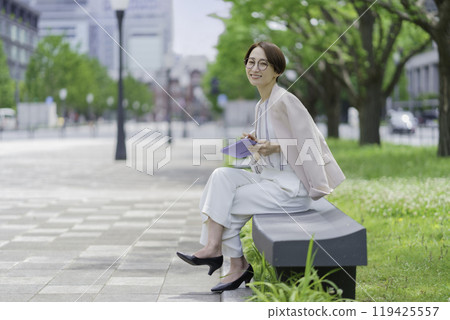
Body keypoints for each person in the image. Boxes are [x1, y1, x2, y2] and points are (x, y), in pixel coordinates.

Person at [177, 41, 345, 293]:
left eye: (262, 64)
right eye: (251, 62)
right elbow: (274, 140)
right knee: (221, 176)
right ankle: (220, 253)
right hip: (270, 180)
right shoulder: (262, 104)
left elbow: (309, 141)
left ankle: (233, 262)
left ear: (276, 71)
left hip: (291, 188)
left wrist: (275, 147)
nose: (254, 68)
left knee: (228, 204)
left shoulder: (286, 101)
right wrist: (254, 144)